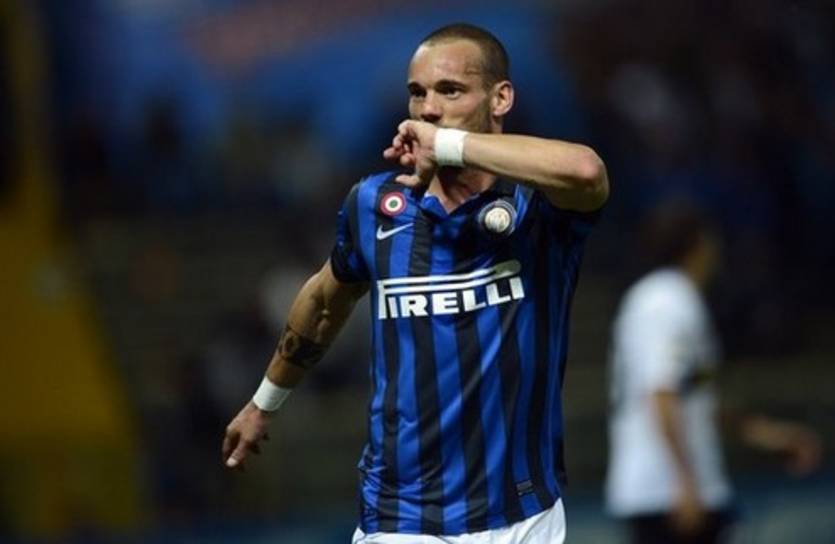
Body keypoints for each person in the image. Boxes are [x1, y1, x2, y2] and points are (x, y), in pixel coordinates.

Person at [222, 23, 609, 543]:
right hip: (402, 519)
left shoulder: (537, 205)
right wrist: (264, 402)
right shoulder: (374, 206)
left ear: (500, 98)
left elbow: (586, 171)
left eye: (450, 91)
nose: (428, 109)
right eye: (417, 93)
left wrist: (448, 145)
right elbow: (323, 303)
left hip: (523, 517)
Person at [604, 202, 821, 544]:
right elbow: (661, 393)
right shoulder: (665, 300)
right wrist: (685, 481)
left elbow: (696, 396)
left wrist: (771, 436)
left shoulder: (670, 298)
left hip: (677, 492)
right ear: (698, 243)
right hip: (667, 494)